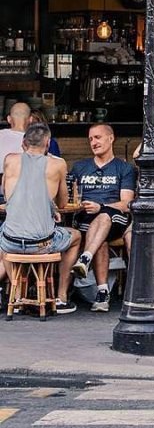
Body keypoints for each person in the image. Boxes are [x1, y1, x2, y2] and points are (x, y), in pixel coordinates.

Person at [0, 123, 81, 313]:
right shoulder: (58, 164)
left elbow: (9, 196)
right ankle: (61, 296)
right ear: (47, 144)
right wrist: (52, 207)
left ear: (23, 143)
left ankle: (17, 295)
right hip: (41, 244)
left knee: (4, 237)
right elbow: (63, 202)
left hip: (11, 242)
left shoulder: (10, 160)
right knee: (76, 236)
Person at [68, 123, 135, 313]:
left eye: (98, 137)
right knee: (101, 241)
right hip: (85, 219)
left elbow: (127, 203)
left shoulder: (124, 168)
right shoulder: (80, 167)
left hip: (115, 219)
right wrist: (77, 204)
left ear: (111, 138)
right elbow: (69, 197)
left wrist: (102, 206)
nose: (93, 142)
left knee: (104, 217)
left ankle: (85, 258)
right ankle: (102, 293)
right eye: (90, 139)